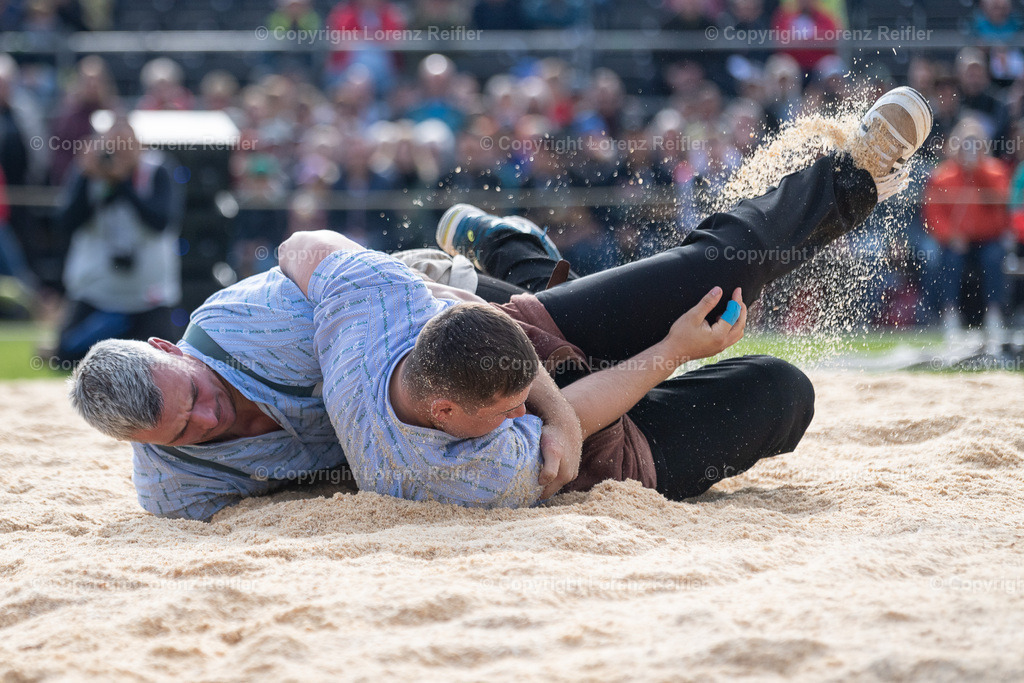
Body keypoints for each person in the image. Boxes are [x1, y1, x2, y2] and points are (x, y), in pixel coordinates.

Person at [68, 85, 930, 518]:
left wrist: (559, 398)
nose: (209, 415)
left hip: (458, 323)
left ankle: (854, 174)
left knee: (710, 278)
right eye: (183, 428)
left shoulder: (242, 325)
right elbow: (530, 424)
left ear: (174, 350)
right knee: (765, 387)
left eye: (194, 393)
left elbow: (312, 249)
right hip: (472, 391)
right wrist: (655, 363)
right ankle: (513, 248)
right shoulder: (176, 487)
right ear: (148, 447)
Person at [53, 119, 183, 362]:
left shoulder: (156, 169)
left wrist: (123, 184)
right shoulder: (89, 171)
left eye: (126, 147)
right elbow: (67, 223)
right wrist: (86, 176)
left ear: (139, 146)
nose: (119, 155)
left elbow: (160, 221)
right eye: (113, 148)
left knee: (161, 361)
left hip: (147, 293)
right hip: (97, 288)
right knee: (66, 355)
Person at [922, 116, 1011, 349]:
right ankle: (949, 313)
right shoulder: (942, 175)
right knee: (948, 260)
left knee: (994, 258)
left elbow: (1002, 207)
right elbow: (933, 214)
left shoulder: (995, 172)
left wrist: (978, 171)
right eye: (965, 144)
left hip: (988, 239)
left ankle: (994, 313)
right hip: (956, 241)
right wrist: (950, 236)